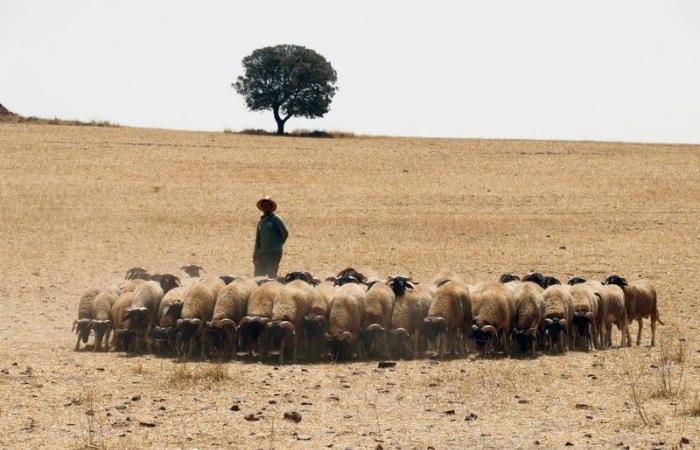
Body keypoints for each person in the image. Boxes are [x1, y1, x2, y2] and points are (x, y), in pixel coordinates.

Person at [253, 196, 288, 278]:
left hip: (274, 252)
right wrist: (255, 253)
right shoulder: (260, 222)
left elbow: (285, 233)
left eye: (267, 205)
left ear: (271, 207)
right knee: (258, 275)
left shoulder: (276, 219)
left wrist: (278, 244)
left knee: (271, 275)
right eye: (263, 205)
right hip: (261, 252)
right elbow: (258, 239)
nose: (265, 207)